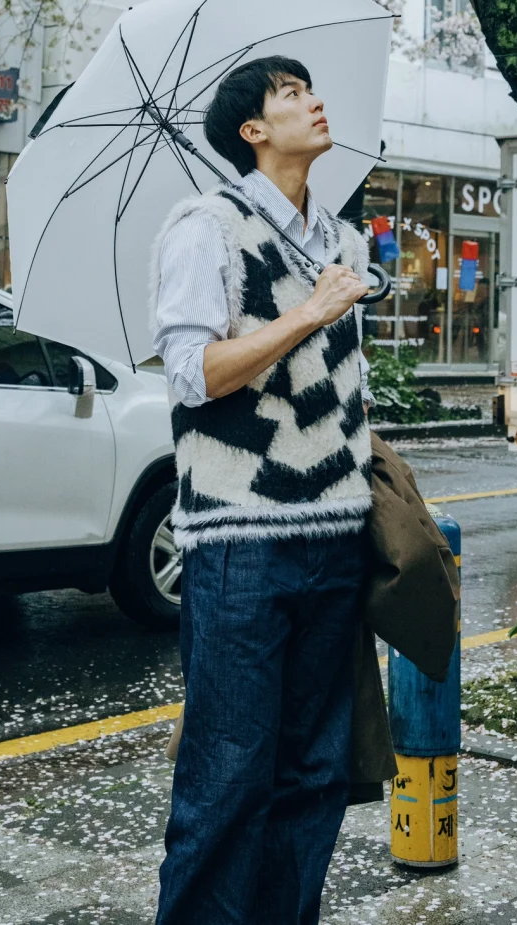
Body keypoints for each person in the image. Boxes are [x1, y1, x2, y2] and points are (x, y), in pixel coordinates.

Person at [151, 54, 374, 925]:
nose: (315, 101)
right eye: (291, 93)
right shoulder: (206, 225)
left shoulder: (346, 240)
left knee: (315, 773)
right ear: (253, 130)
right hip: (240, 538)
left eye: (312, 87)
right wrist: (306, 314)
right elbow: (191, 374)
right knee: (228, 774)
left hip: (337, 530)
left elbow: (344, 382)